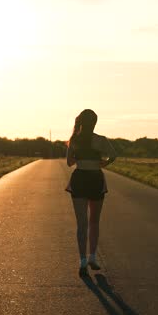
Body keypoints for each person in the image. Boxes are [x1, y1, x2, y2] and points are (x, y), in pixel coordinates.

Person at [65, 109, 117, 276]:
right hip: (96, 179)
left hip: (79, 179)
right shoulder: (101, 140)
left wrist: (80, 157)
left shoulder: (74, 140)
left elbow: (69, 163)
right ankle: (92, 256)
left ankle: (82, 260)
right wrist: (102, 163)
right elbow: (113, 156)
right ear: (95, 122)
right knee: (94, 221)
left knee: (82, 223)